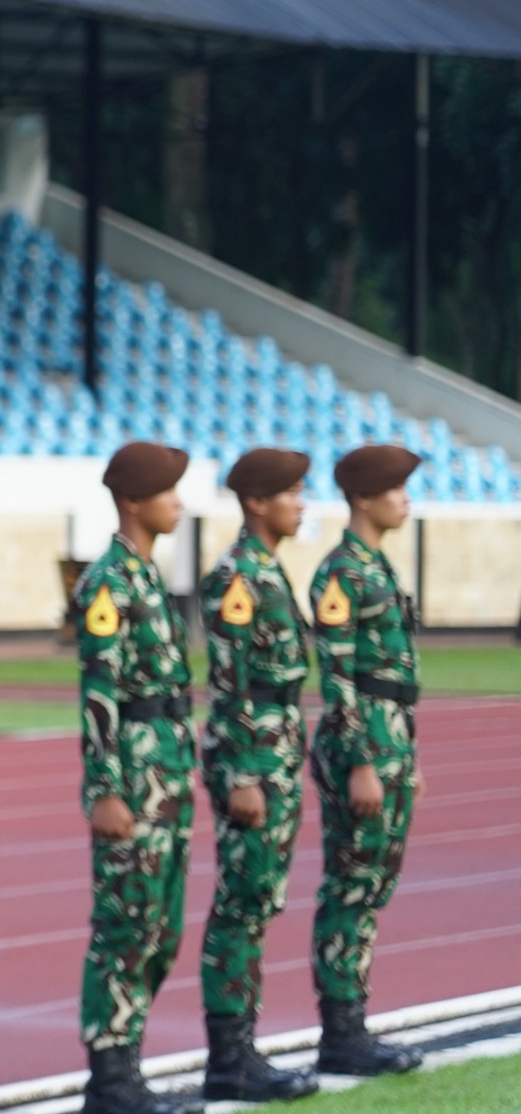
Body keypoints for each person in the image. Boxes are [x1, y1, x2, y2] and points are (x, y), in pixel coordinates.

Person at [76, 440, 198, 1114]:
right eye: (167, 490)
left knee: (161, 928)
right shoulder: (110, 584)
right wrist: (106, 791)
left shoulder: (150, 579)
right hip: (132, 782)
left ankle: (130, 1067)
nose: (177, 502)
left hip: (168, 779)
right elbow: (100, 696)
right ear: (133, 501)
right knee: (125, 926)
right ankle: (111, 1078)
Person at [195, 448, 319, 1103]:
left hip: (275, 757)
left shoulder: (267, 570)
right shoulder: (239, 576)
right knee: (241, 908)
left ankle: (243, 1048)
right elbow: (230, 683)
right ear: (257, 502)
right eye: (293, 492)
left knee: (258, 904)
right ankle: (230, 1058)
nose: (303, 503)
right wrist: (243, 773)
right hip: (253, 762)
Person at [306, 443, 427, 1077]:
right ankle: (341, 1032)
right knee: (351, 886)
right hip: (364, 748)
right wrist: (358, 762)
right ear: (362, 497)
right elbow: (339, 677)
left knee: (373, 884)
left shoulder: (375, 566)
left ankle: (353, 1024)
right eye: (395, 487)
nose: (406, 497)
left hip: (390, 744)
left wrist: (407, 756)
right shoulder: (341, 573)